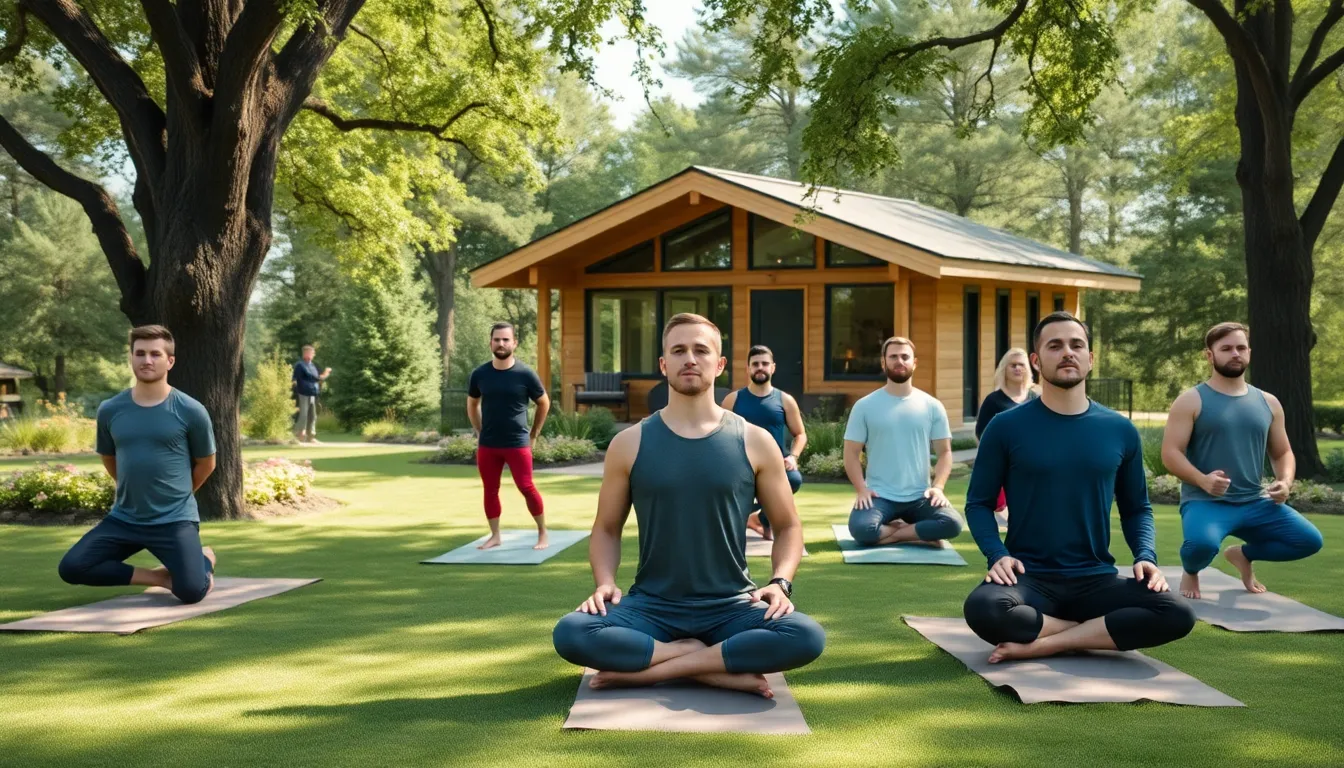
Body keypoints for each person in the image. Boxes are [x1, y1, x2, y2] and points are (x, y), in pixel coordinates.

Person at [552, 313, 825, 698]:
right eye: (678, 351)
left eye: (701, 350)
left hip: (733, 605)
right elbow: (607, 528)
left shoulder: (755, 440)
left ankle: (652, 670)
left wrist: (780, 583)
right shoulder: (629, 443)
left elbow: (788, 526)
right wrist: (605, 583)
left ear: (720, 363)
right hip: (651, 607)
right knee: (573, 632)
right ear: (664, 365)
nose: (690, 359)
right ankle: (707, 665)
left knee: (805, 636)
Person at [963, 312, 1195, 662]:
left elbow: (1136, 508)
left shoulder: (1119, 430)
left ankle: (1049, 641)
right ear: (1037, 361)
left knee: (1177, 613)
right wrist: (997, 555)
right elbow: (978, 503)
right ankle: (1092, 630)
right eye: (1055, 346)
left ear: (1090, 359)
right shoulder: (1005, 427)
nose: (1067, 352)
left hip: (1096, 579)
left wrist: (1145, 556)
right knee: (984, 609)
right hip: (1029, 577)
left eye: (1077, 345)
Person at [57, 325, 219, 604]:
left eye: (155, 354)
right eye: (140, 353)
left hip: (175, 521)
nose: (147, 360)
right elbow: (109, 457)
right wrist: (131, 490)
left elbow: (207, 463)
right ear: (131, 357)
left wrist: (180, 494)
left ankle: (204, 557)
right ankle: (159, 578)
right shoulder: (110, 409)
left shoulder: (191, 410)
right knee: (72, 567)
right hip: (124, 519)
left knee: (192, 591)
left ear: (170, 361)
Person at [1161, 322, 1324, 599]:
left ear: (1249, 352)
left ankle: (1242, 555)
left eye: (1240, 348)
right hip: (1206, 501)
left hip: (1256, 502)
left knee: (1309, 541)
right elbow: (1170, 453)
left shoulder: (1268, 402)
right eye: (1226, 348)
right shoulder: (1191, 400)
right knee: (1201, 546)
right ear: (1209, 356)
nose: (1235, 354)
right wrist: (1203, 480)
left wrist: (1285, 482)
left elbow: (1282, 452)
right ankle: (1191, 571)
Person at [843, 337, 963, 548]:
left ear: (914, 362)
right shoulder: (864, 406)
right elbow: (851, 453)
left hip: (920, 496)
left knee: (952, 523)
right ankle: (918, 534)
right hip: (879, 496)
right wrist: (861, 489)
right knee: (861, 528)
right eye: (893, 357)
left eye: (905, 357)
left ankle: (895, 532)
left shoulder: (932, 406)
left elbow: (945, 453)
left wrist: (938, 487)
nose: (900, 361)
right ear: (883, 363)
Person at [467, 322, 551, 550]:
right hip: (488, 444)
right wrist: (478, 429)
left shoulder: (525, 374)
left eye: (506, 340)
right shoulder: (480, 374)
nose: (501, 344)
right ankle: (495, 535)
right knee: (490, 489)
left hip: (517, 443)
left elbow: (543, 402)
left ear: (514, 343)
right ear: (490, 343)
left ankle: (543, 533)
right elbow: (472, 402)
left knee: (526, 486)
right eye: (497, 340)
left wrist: (534, 434)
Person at [721, 345, 807, 541]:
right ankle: (748, 517)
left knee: (793, 479)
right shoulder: (732, 400)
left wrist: (793, 457)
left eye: (765, 364)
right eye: (755, 364)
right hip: (741, 464)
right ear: (748, 369)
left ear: (773, 368)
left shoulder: (785, 400)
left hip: (775, 464)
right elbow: (720, 434)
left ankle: (760, 518)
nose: (760, 367)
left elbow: (800, 434)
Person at [976, 348, 1038, 526]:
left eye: (1022, 365)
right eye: (1013, 365)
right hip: (1004, 463)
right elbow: (982, 433)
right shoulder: (994, 400)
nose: (1018, 368)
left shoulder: (1036, 398)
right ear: (1005, 369)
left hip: (1033, 462)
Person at [291, 345, 331, 443]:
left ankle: (311, 436)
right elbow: (311, 377)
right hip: (303, 393)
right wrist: (325, 374)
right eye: (310, 352)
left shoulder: (313, 365)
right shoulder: (300, 365)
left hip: (312, 393)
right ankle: (300, 435)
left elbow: (317, 378)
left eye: (312, 353)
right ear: (305, 353)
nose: (312, 355)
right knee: (303, 414)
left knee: (312, 415)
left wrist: (322, 378)